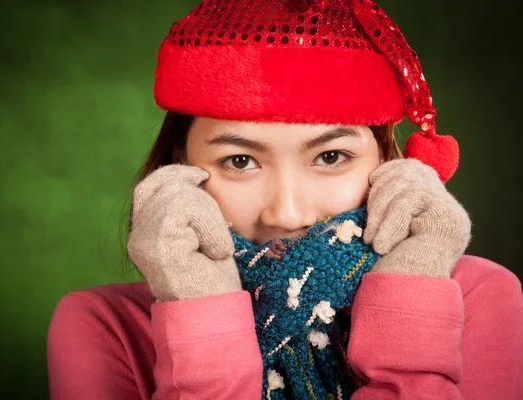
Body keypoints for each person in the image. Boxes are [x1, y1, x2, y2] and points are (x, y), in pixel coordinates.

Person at [46, 0, 523, 399]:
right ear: (178, 171)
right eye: (239, 161)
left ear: (390, 162)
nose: (287, 214)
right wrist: (201, 315)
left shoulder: (478, 296)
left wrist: (408, 305)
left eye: (331, 155)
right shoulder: (102, 325)